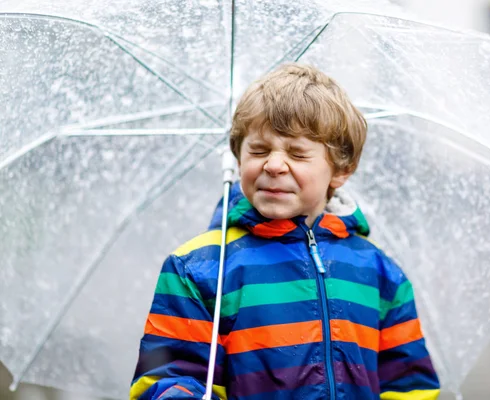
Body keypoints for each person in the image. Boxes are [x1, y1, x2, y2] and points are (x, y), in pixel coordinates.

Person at [130, 63, 440, 399]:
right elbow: (168, 375)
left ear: (340, 170)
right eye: (259, 150)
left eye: (297, 153)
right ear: (236, 157)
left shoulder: (380, 274)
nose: (274, 165)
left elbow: (410, 386)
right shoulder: (198, 269)